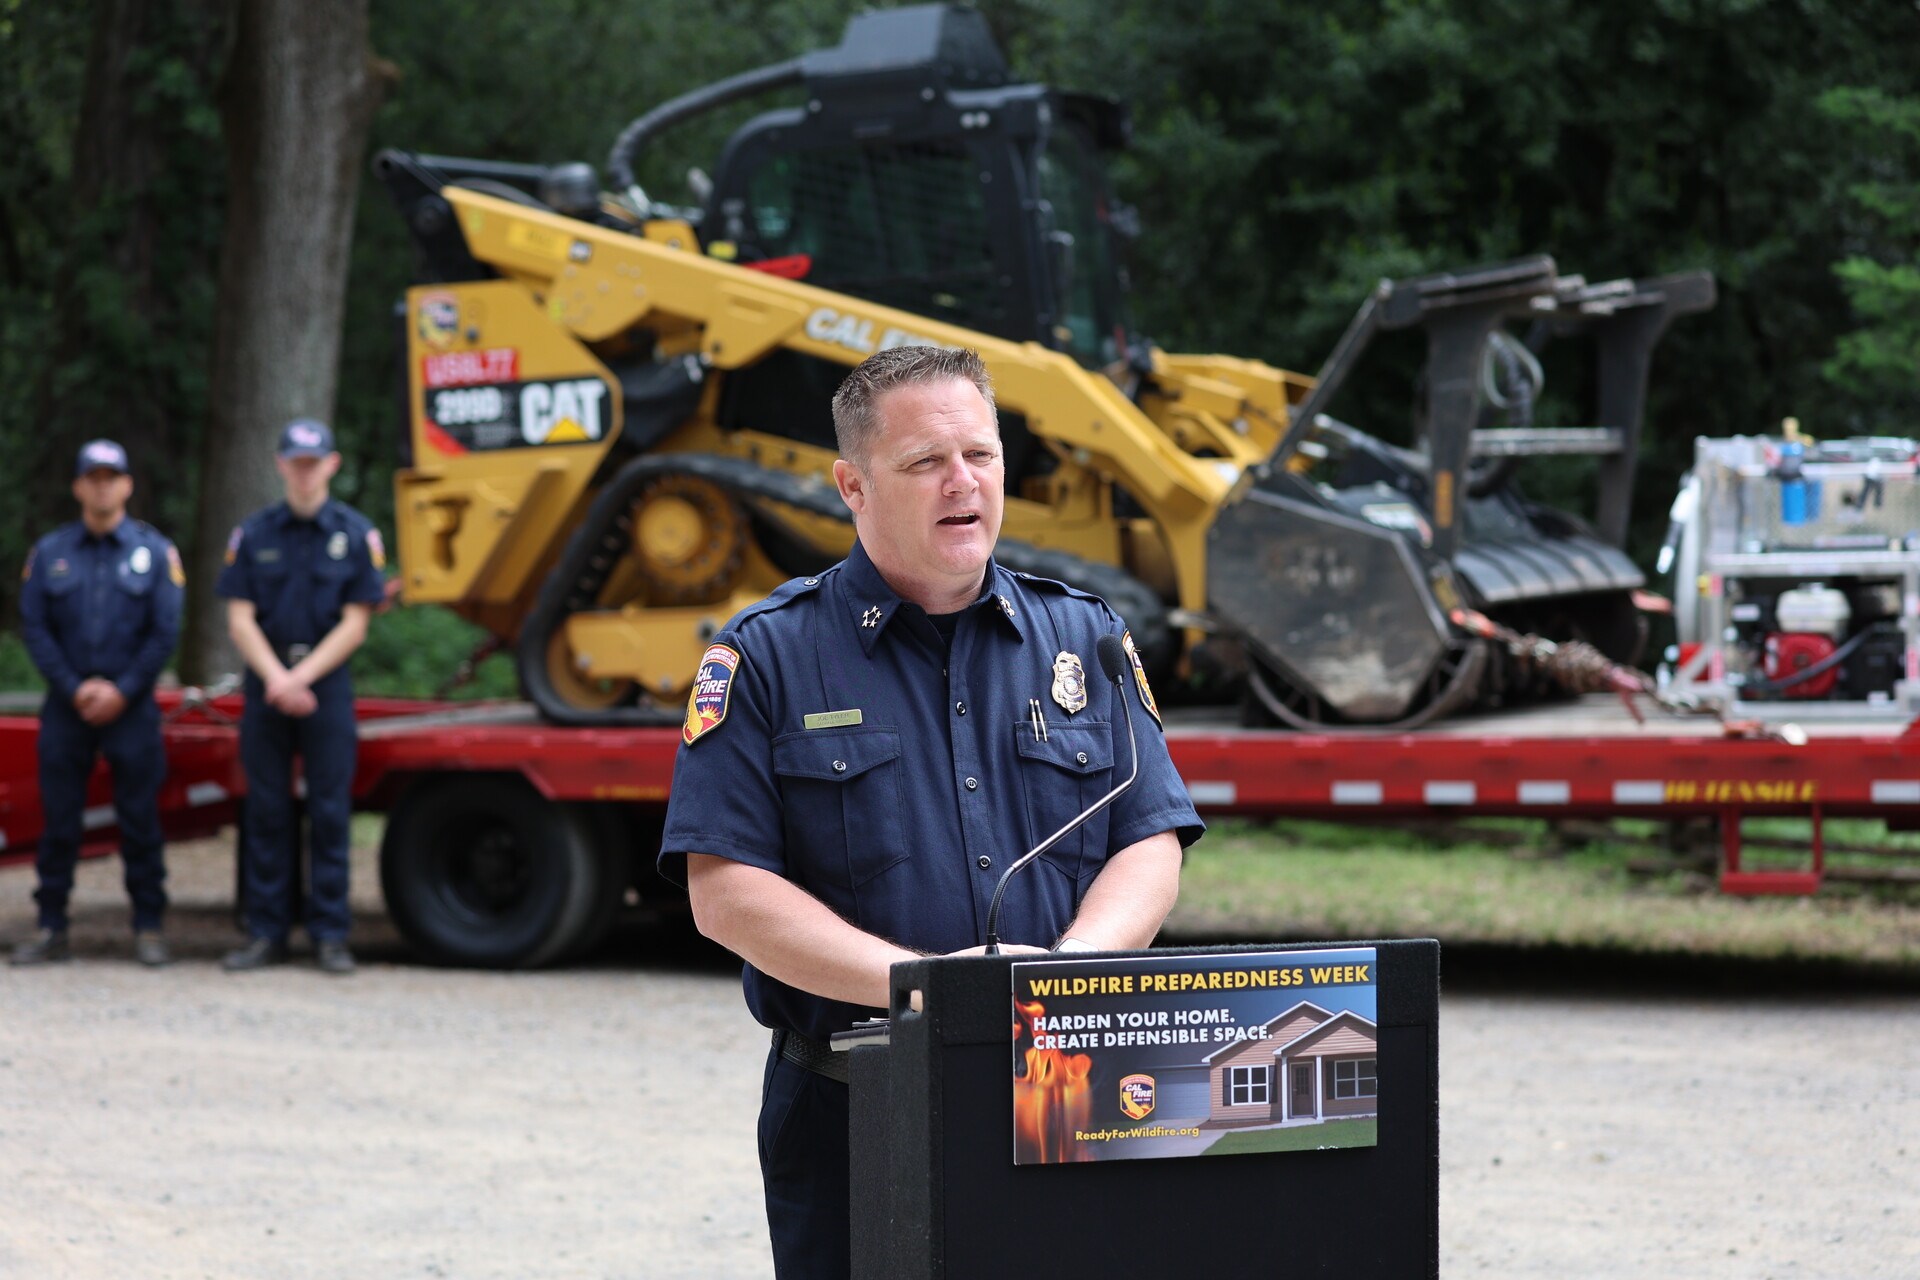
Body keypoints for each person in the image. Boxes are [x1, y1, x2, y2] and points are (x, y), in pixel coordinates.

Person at [659, 345, 1203, 1279]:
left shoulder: (1086, 637)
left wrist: (1065, 981)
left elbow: (1147, 837)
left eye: (981, 457)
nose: (964, 484)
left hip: (1063, 1093)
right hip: (851, 1109)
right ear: (852, 485)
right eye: (925, 463)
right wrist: (926, 992)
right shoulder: (768, 657)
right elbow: (727, 892)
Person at [215, 418, 385, 975]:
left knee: (331, 814)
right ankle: (267, 933)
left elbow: (355, 624)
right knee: (266, 812)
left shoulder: (357, 534)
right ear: (280, 464)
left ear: (331, 465)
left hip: (325, 686)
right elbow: (239, 619)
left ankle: (330, 935)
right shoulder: (254, 533)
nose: (305, 471)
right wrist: (277, 681)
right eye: (296, 462)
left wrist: (302, 678)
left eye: (315, 462)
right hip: (267, 685)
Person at [12, 439, 184, 967]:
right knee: (59, 821)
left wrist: (122, 690)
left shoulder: (156, 553)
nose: (103, 485)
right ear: (79, 486)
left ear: (128, 485)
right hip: (68, 708)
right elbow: (35, 627)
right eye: (94, 476)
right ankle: (51, 926)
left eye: (113, 476)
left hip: (131, 709)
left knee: (140, 821)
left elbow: (164, 631)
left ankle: (149, 927)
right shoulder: (51, 553)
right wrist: (74, 687)